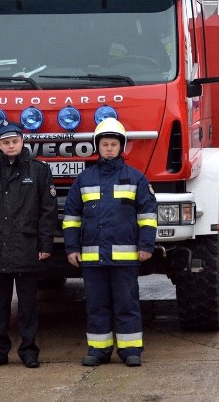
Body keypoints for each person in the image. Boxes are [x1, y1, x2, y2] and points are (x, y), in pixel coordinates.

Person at [63, 117, 158, 367]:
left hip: (126, 259)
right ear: (98, 147)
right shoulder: (84, 180)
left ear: (121, 147)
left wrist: (146, 246)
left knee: (127, 304)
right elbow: (71, 218)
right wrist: (72, 248)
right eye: (104, 144)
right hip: (93, 259)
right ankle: (98, 350)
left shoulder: (136, 179)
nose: (109, 149)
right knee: (97, 305)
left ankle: (130, 351)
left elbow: (148, 215)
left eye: (113, 144)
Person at [0, 120, 56, 369]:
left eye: (15, 141)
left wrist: (46, 245)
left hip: (27, 247)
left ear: (22, 142)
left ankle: (29, 351)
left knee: (28, 306)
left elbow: (47, 212)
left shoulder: (39, 172)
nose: (11, 146)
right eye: (6, 142)